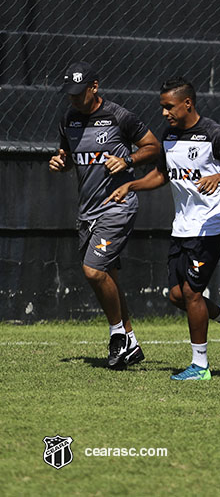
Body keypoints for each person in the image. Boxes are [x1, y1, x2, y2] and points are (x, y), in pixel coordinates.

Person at [105, 77, 220, 380]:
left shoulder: (214, 134)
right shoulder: (170, 135)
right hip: (183, 226)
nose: (164, 113)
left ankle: (200, 366)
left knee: (193, 293)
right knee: (176, 296)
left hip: (211, 225)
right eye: (162, 107)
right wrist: (132, 184)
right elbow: (161, 175)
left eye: (168, 106)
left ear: (188, 103)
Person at [49, 61, 160, 369]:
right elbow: (68, 157)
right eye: (68, 93)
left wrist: (128, 160)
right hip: (87, 212)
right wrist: (61, 163)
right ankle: (131, 342)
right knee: (106, 275)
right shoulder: (69, 118)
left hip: (117, 206)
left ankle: (116, 336)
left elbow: (153, 147)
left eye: (78, 93)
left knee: (93, 271)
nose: (72, 98)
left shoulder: (119, 116)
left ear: (94, 87)